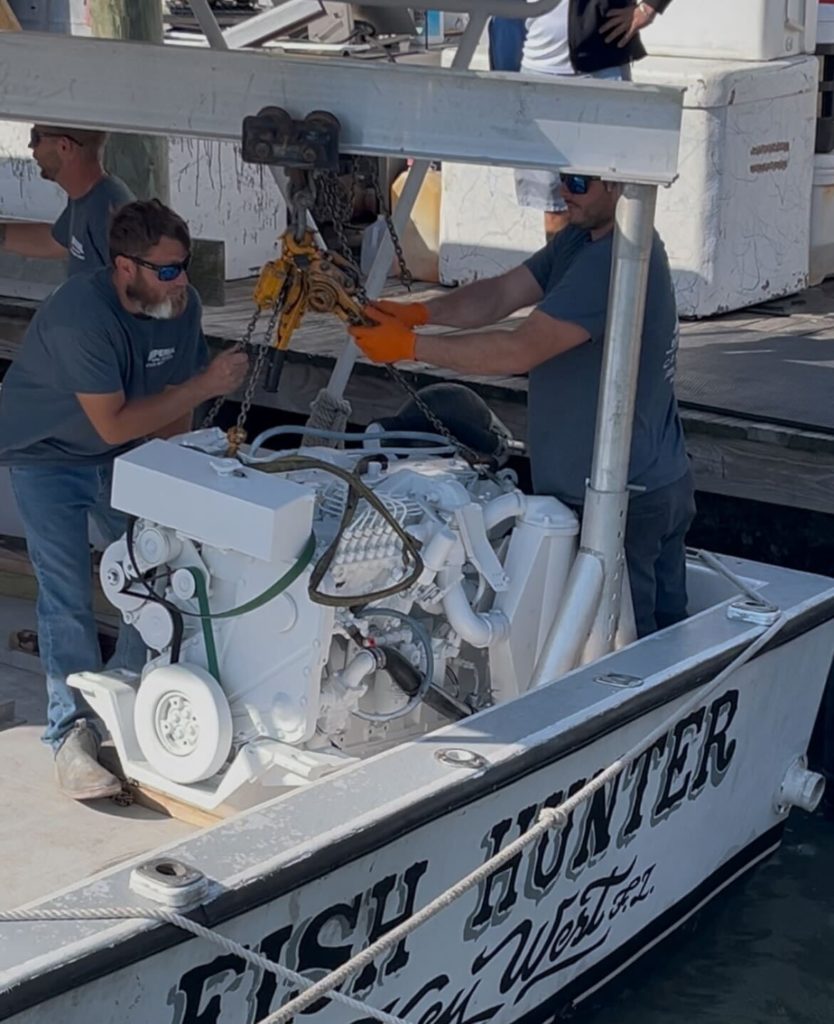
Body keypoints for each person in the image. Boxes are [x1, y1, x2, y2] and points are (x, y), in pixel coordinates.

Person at [349, 173, 695, 639]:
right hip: (652, 480)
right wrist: (419, 314)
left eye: (579, 182)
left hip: (623, 502)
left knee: (630, 651)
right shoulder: (583, 240)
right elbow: (500, 295)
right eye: (563, 179)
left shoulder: (613, 260)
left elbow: (521, 349)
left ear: (619, 185)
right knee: (666, 634)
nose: (564, 192)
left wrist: (412, 347)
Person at [0, 199, 249, 801]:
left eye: (184, 266)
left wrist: (173, 481)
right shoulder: (79, 316)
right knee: (66, 593)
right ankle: (69, 733)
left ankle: (132, 697)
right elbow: (113, 422)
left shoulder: (181, 304)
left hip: (122, 453)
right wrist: (207, 384)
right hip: (47, 455)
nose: (180, 281)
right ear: (124, 267)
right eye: (166, 270)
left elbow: (174, 402)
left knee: (153, 573)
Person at [492, 0, 673, 240]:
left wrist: (648, 9)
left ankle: (608, 265)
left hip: (599, 73)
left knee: (606, 201)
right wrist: (503, 81)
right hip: (532, 78)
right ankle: (562, 265)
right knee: (555, 206)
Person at [0, 125, 134, 274]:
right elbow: (55, 242)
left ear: (64, 147)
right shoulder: (84, 196)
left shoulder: (109, 211)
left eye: (36, 137)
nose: (30, 146)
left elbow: (137, 283)